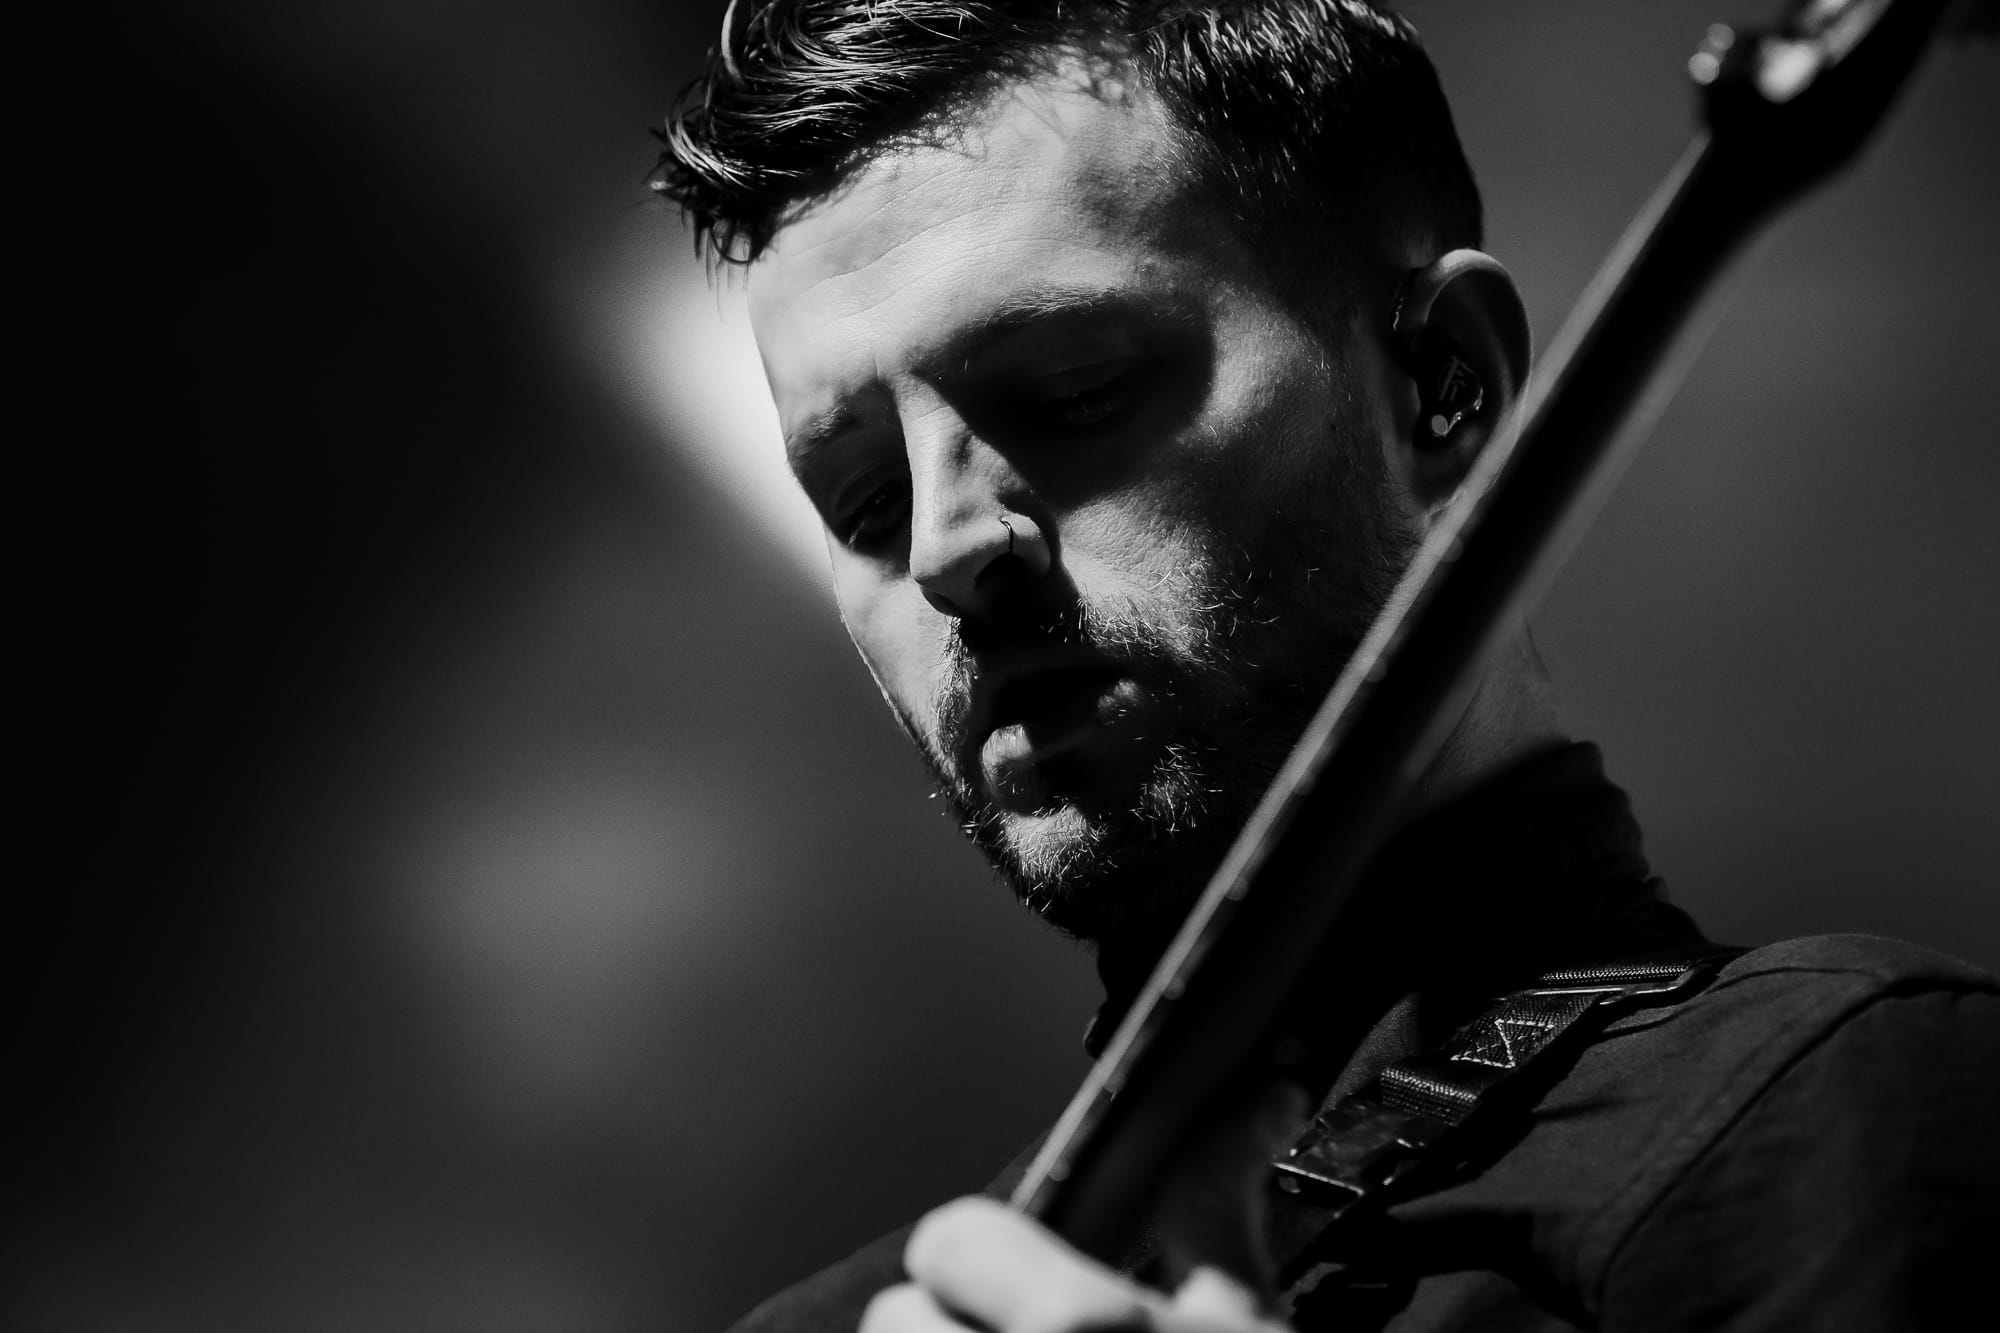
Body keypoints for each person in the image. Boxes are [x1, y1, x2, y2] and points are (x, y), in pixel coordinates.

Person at [651, 3, 1999, 1329]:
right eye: (865, 500)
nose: (945, 548)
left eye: (1076, 393)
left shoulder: (1838, 1102)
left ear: (1445, 384)